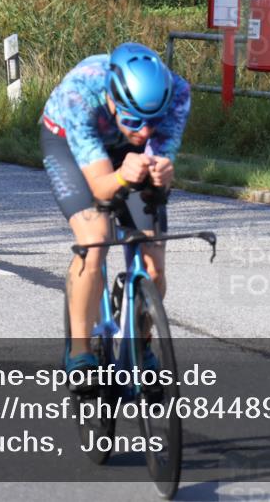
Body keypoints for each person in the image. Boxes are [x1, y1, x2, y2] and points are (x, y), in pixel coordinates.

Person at [40, 42, 191, 375]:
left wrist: (163, 174)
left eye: (153, 121)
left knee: (153, 264)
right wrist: (123, 174)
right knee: (95, 239)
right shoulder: (80, 95)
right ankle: (80, 352)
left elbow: (158, 164)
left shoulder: (178, 92)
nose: (145, 130)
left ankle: (142, 342)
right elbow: (101, 187)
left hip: (125, 154)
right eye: (135, 121)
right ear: (113, 99)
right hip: (67, 141)